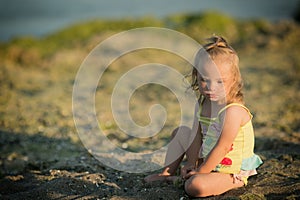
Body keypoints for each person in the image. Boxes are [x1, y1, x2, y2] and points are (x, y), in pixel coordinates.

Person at [144, 35, 263, 197]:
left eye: (220, 82)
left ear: (234, 80)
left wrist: (201, 171)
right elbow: (195, 136)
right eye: (204, 80)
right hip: (207, 162)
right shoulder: (202, 105)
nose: (210, 88)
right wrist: (193, 164)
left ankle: (183, 180)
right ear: (196, 76)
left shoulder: (233, 111)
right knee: (181, 132)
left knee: (196, 187)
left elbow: (223, 147)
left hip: (230, 170)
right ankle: (167, 174)